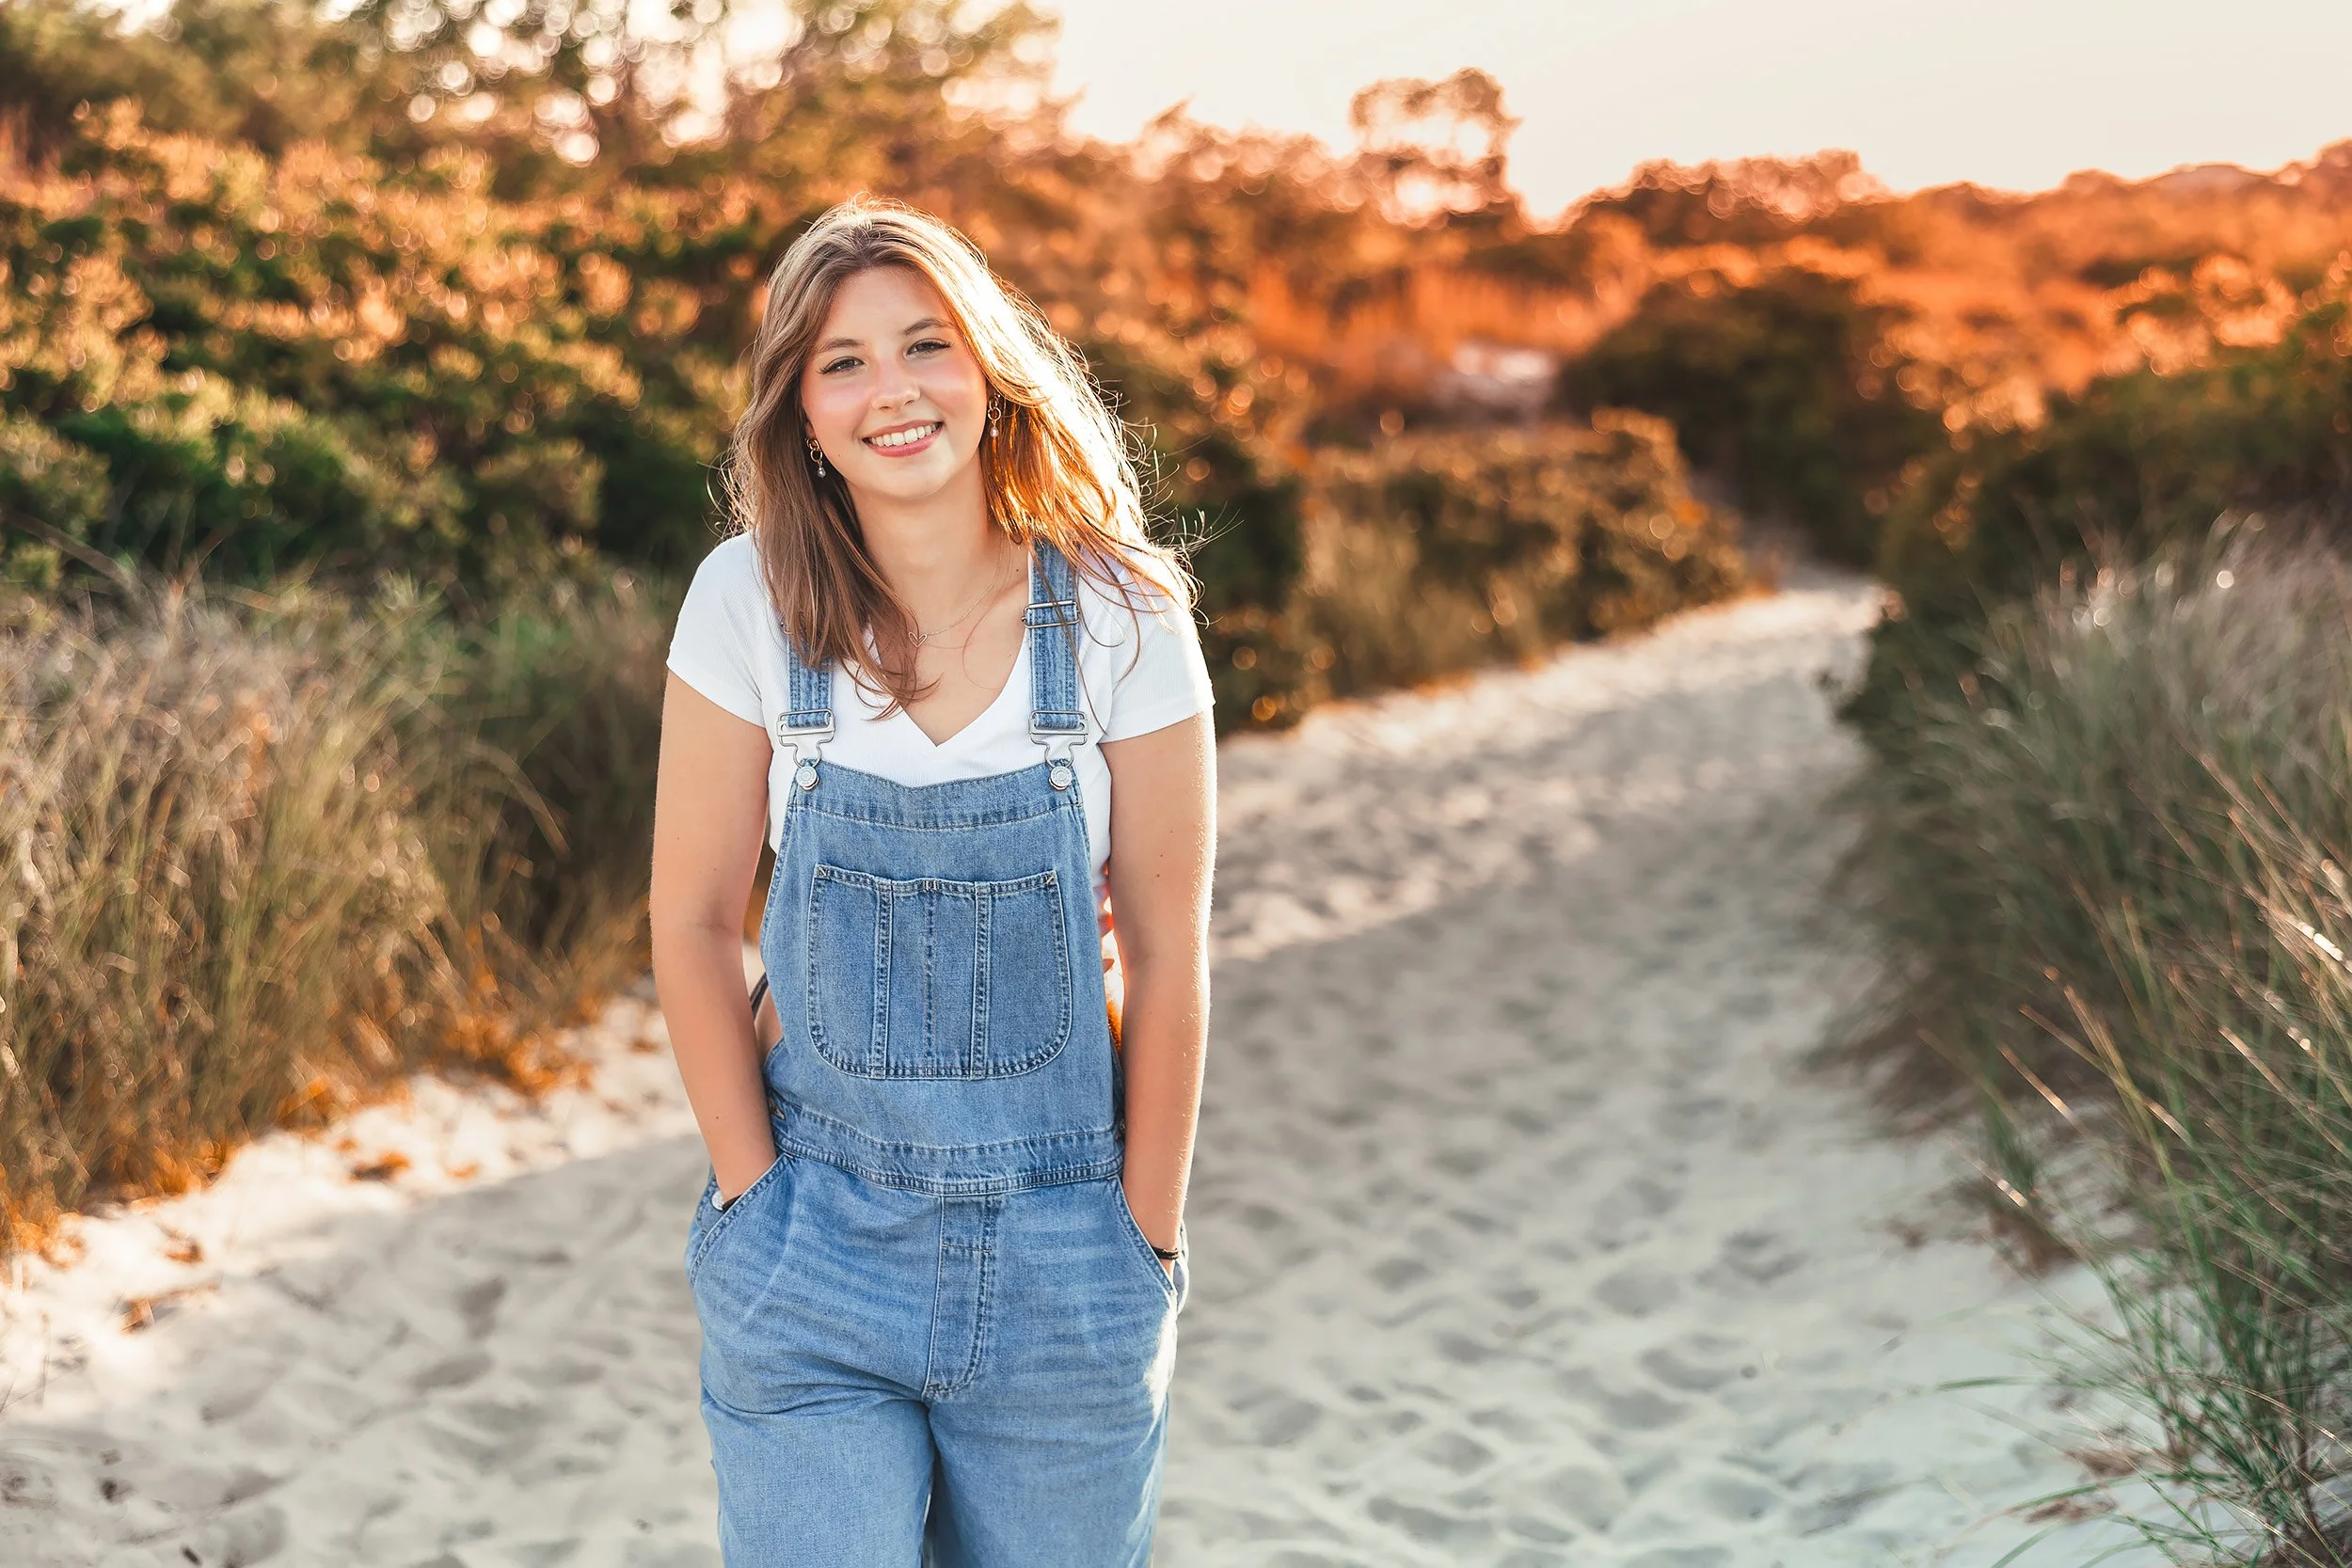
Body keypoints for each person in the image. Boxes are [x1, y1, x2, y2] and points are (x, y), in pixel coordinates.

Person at [649, 196, 1216, 1567]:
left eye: (925, 345)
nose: (890, 391)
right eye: (842, 361)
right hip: (813, 1250)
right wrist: (752, 1194)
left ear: (990, 372)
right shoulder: (746, 601)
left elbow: (1169, 954)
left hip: (1069, 1259)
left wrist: (1141, 1239)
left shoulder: (1123, 613)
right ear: (798, 406)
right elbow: (689, 920)